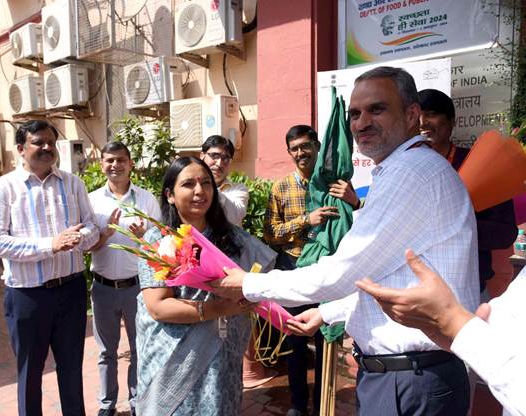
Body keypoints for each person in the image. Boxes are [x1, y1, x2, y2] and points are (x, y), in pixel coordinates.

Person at [212, 66, 481, 416]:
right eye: (355, 113)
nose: (360, 123)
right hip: (404, 376)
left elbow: (345, 270)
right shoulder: (400, 170)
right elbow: (383, 277)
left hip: (411, 379)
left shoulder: (411, 173)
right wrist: (326, 312)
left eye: (377, 109)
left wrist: (248, 283)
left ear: (412, 114)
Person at [135, 156, 276, 415]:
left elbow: (259, 279)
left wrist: (252, 296)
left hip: (223, 354)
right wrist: (220, 308)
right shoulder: (158, 239)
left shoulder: (233, 239)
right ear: (170, 195)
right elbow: (158, 307)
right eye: (188, 184)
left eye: (206, 183)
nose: (200, 191)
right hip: (175, 357)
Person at [0, 120, 99, 416]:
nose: (47, 148)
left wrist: (81, 237)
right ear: (21, 148)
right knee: (30, 373)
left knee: (72, 369)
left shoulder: (73, 183)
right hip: (27, 297)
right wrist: (50, 245)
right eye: (39, 142)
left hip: (71, 290)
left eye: (51, 142)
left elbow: (91, 228)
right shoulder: (6, 188)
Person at [356, 250, 526, 416]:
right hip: (410, 370)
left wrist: (456, 324)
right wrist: (455, 328)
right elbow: (501, 320)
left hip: (419, 375)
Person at [263, 124, 358, 416]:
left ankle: (322, 404)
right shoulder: (280, 187)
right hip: (293, 268)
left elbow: (356, 224)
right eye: (294, 149)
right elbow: (270, 234)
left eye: (305, 146)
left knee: (325, 338)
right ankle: (297, 404)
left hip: (327, 270)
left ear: (317, 146)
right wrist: (306, 220)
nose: (300, 153)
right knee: (295, 342)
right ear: (289, 153)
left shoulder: (333, 184)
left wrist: (354, 201)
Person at [418, 88, 517, 295]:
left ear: (452, 121)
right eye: (416, 115)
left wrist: (457, 224)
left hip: (468, 288)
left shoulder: (483, 165)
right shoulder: (404, 169)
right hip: (415, 287)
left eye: (431, 114)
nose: (422, 122)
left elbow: (506, 234)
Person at [88, 141, 161, 416]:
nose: (115, 165)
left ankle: (136, 403)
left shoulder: (146, 200)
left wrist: (145, 238)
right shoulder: (92, 200)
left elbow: (160, 244)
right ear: (101, 164)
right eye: (109, 160)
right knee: (106, 353)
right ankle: (106, 405)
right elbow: (86, 246)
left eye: (121, 160)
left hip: (137, 288)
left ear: (131, 164)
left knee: (139, 350)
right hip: (103, 288)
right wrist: (103, 234)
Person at [200, 135, 249, 226]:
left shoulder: (238, 189)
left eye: (225, 158)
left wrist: (208, 188)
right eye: (215, 156)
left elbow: (234, 216)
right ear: (202, 156)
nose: (219, 163)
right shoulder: (193, 187)